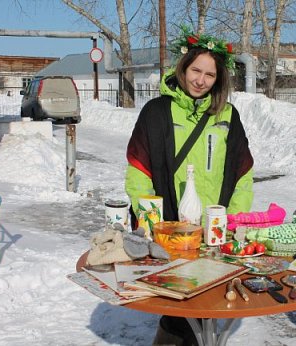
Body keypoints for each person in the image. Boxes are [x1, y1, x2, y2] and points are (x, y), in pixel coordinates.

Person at [125, 26, 254, 345]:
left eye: (210, 75)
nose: (201, 80)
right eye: (196, 70)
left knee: (206, 301)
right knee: (178, 303)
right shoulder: (156, 113)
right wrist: (153, 224)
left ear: (218, 79)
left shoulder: (227, 115)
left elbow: (242, 174)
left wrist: (233, 222)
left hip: (213, 232)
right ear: (182, 68)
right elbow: (138, 171)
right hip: (171, 232)